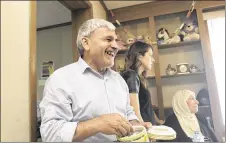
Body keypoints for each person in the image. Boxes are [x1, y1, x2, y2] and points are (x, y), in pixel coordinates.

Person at [39, 19, 151, 142]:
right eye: (108, 39)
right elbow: (50, 134)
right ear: (86, 43)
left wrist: (136, 125)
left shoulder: (119, 80)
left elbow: (128, 112)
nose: (115, 46)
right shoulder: (60, 79)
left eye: (115, 40)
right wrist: (98, 124)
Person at [121, 41, 165, 125]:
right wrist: (143, 128)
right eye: (150, 55)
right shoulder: (131, 76)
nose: (153, 60)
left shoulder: (140, 78)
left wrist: (158, 121)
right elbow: (135, 112)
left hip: (150, 127)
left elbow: (147, 107)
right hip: (143, 130)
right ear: (140, 57)